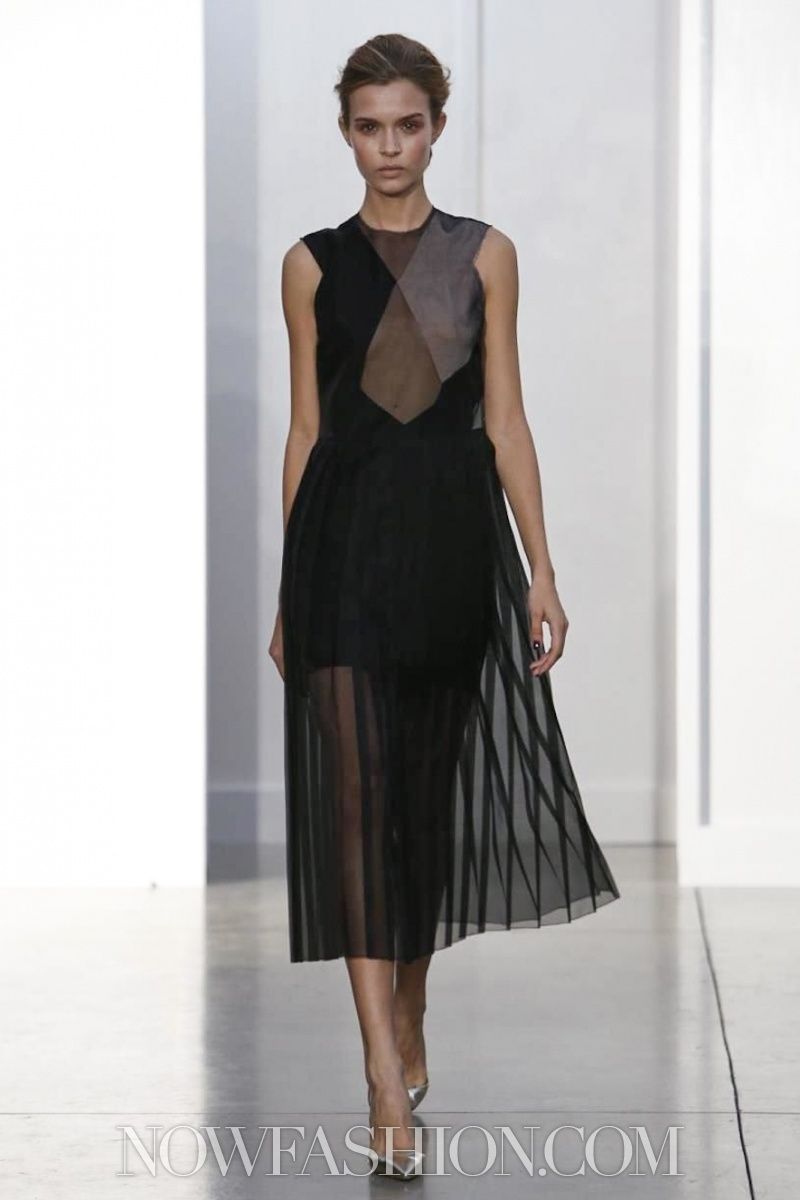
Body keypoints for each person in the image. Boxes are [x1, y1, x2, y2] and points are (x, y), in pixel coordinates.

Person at [269, 32, 621, 1181]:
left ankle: (411, 1003)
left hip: (449, 553)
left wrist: (542, 568)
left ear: (436, 128)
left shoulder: (483, 255)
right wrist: (287, 589)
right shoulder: (310, 265)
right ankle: (382, 1075)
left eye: (406, 125)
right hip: (338, 556)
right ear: (344, 133)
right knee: (357, 813)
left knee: (418, 814)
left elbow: (503, 418)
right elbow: (306, 431)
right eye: (368, 126)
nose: (388, 147)